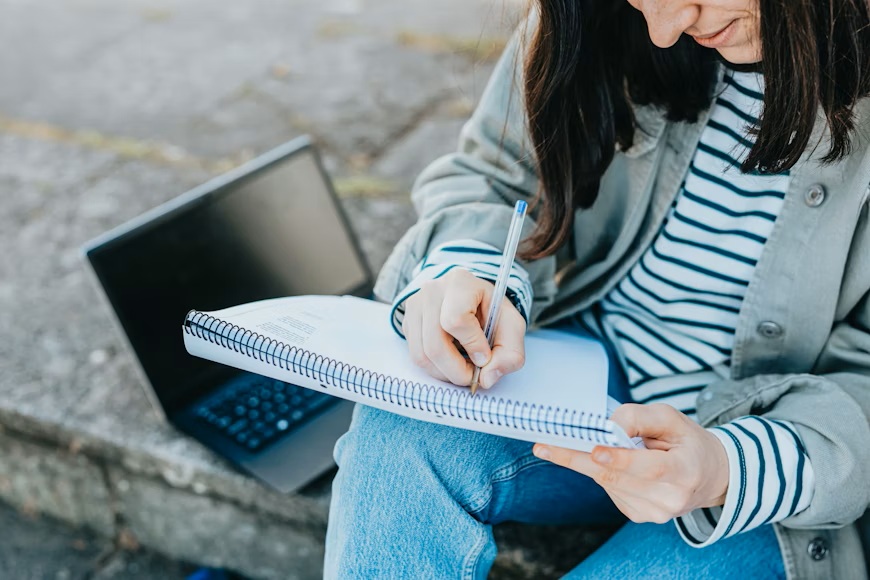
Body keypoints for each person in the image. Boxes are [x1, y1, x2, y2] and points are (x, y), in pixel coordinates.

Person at [324, 0, 870, 578]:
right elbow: (500, 171)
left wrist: (722, 468)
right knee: (404, 422)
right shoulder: (602, 16)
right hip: (592, 384)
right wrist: (474, 268)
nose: (664, 31)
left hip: (768, 477)